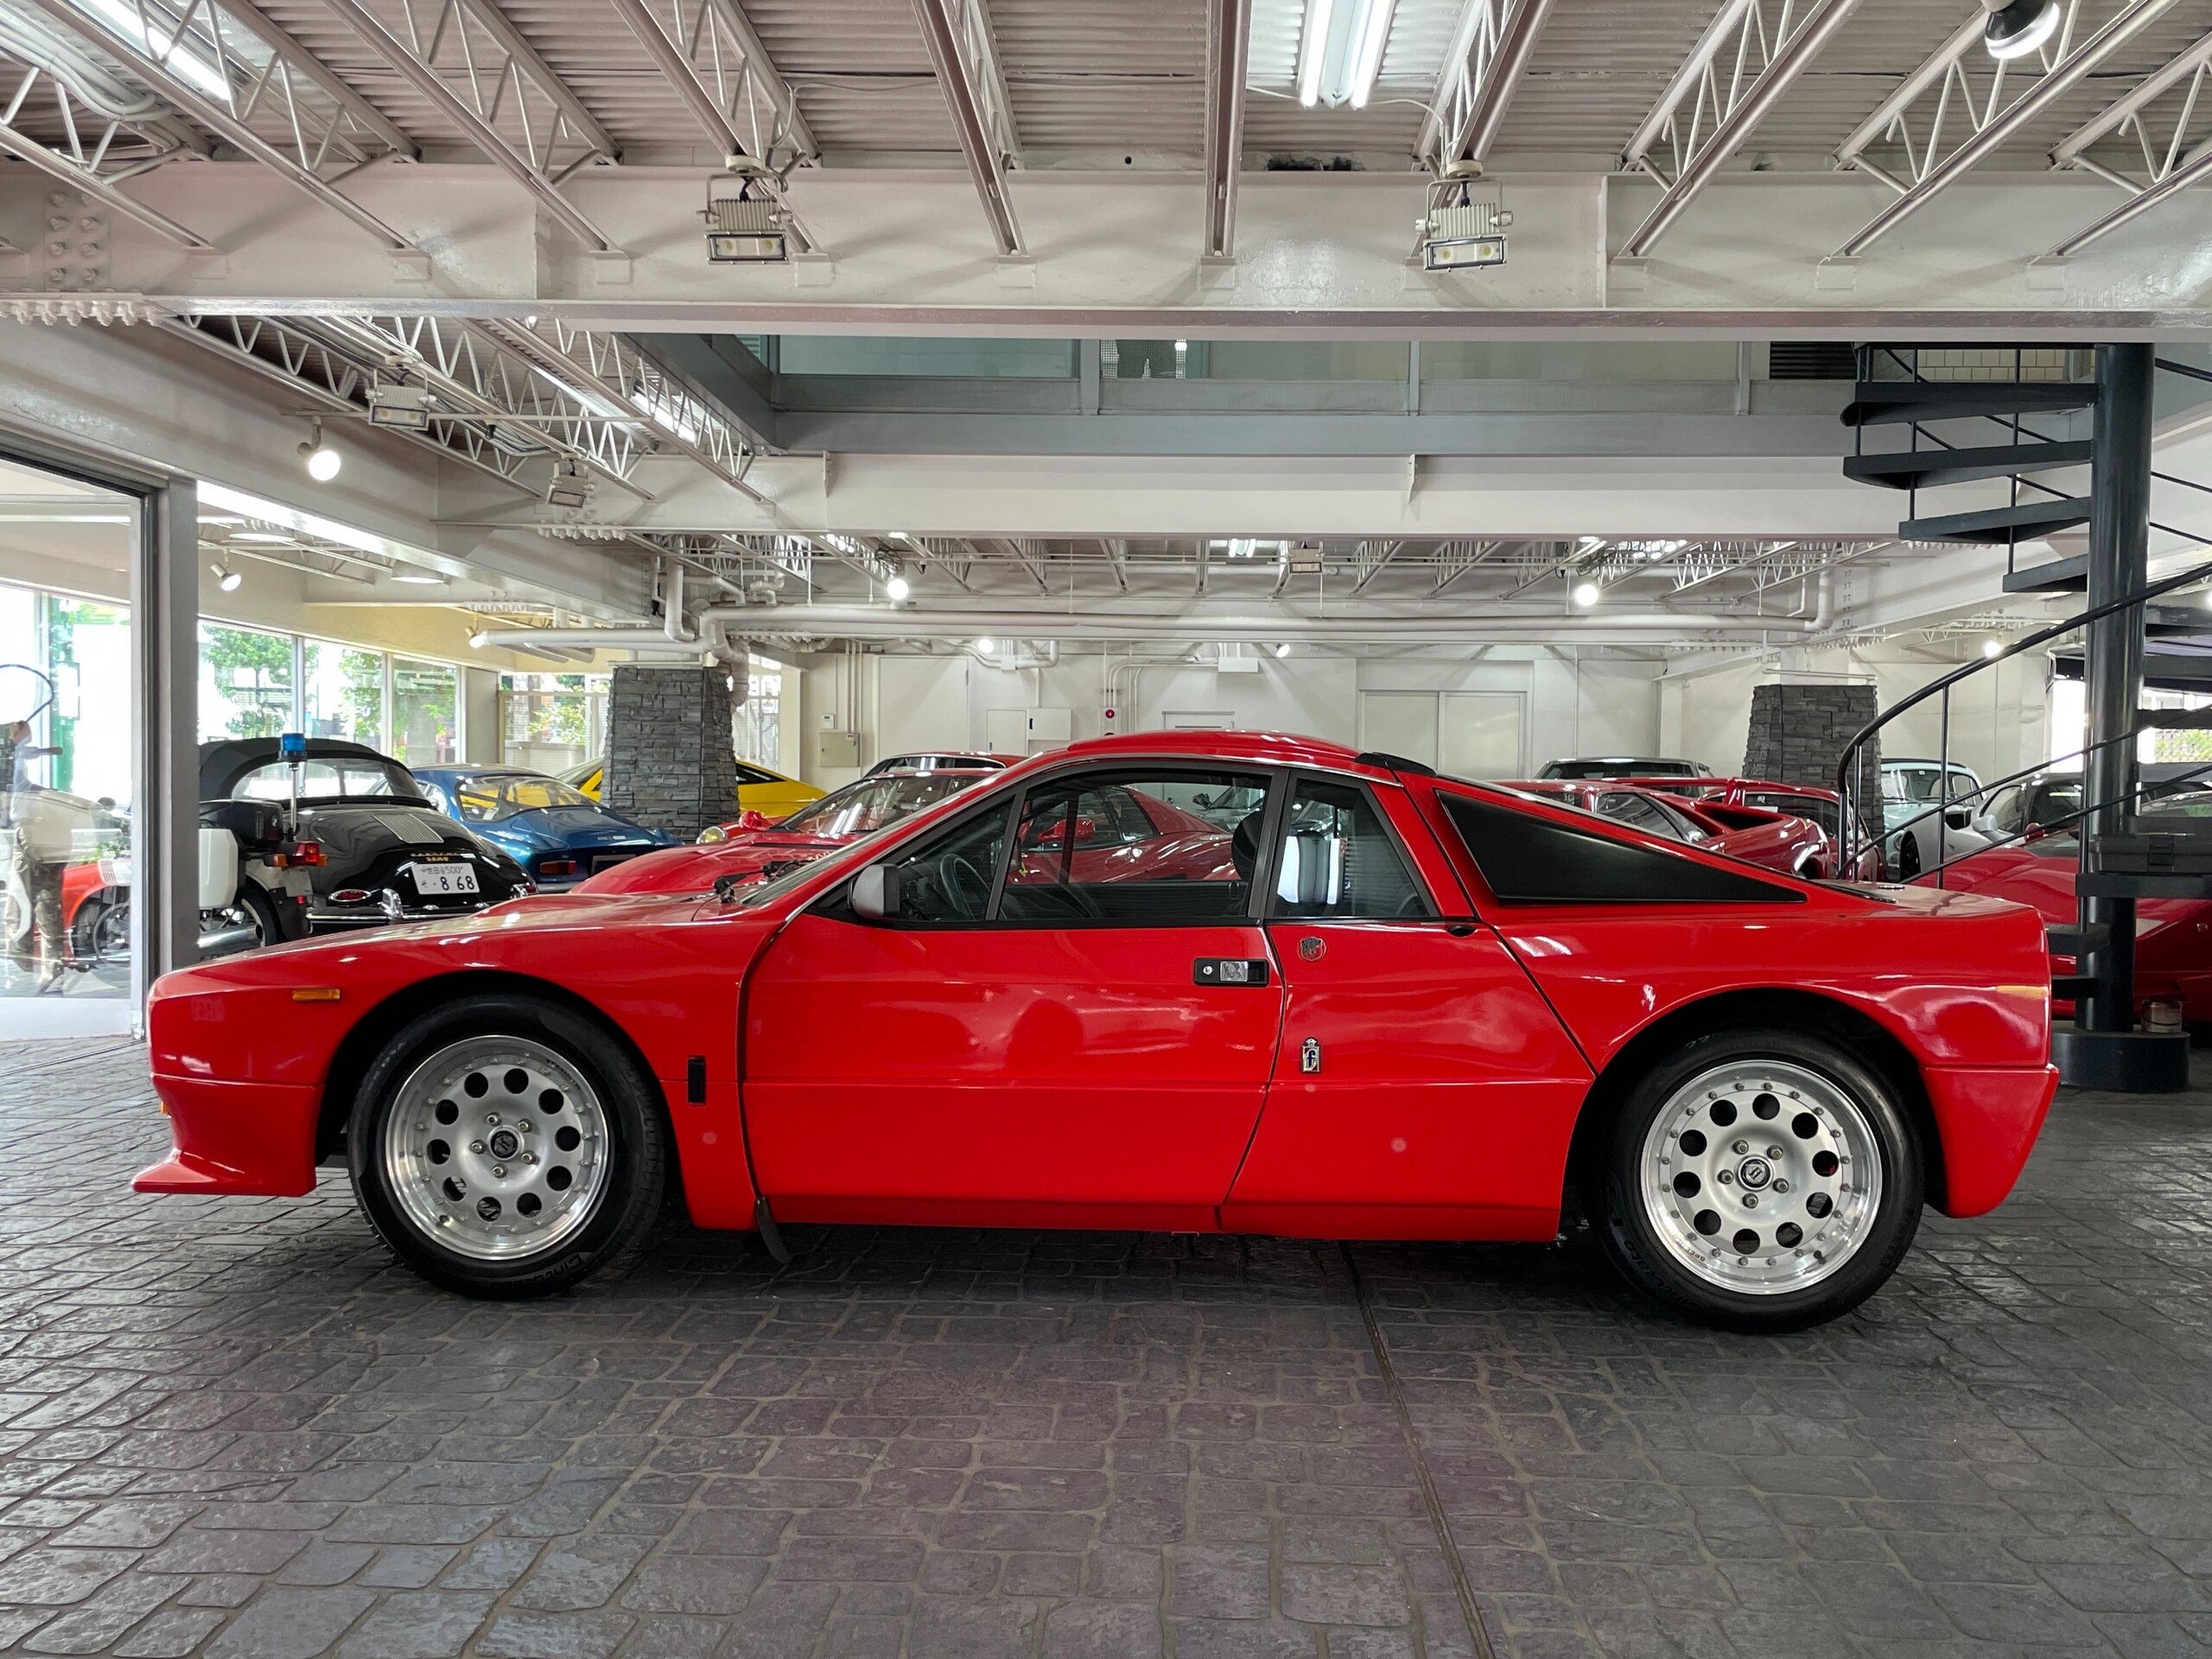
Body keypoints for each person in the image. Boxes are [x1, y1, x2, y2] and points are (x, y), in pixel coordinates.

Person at [5, 721, 65, 989]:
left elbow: (18, 785)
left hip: (31, 831)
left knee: (23, 904)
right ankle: (47, 967)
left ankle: (24, 971)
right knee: (42, 902)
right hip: (36, 828)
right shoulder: (10, 753)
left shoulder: (12, 755)